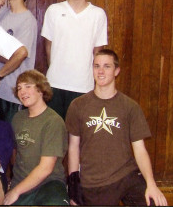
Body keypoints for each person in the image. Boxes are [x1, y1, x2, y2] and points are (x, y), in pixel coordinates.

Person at [66, 49, 168, 206]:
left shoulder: (130, 106)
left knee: (154, 202)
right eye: (96, 66)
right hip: (94, 182)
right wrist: (73, 185)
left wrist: (151, 184)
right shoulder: (78, 105)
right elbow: (73, 147)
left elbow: (140, 150)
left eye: (107, 66)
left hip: (126, 175)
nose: (100, 71)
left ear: (116, 71)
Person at [41, 0, 108, 120]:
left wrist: (98, 81)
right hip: (55, 84)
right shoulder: (54, 10)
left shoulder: (98, 14)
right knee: (56, 133)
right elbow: (48, 46)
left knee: (79, 135)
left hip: (84, 85)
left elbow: (98, 52)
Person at [4, 70, 69, 205]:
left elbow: (46, 168)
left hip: (49, 184)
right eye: (19, 88)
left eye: (28, 86)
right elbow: (15, 154)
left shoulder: (53, 121)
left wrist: (15, 192)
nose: (22, 92)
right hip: (20, 182)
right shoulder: (18, 118)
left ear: (41, 89)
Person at [0, 0, 37, 123]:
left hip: (13, 93)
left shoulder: (27, 20)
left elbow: (17, 56)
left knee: (11, 140)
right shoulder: (2, 13)